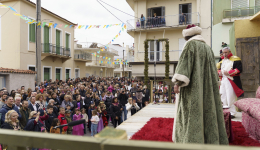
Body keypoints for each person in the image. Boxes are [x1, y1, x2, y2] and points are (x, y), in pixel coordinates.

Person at [171, 24, 228, 144]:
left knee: (192, 115)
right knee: (208, 114)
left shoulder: (190, 45)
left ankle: (192, 142)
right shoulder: (207, 48)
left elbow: (183, 69)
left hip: (193, 90)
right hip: (208, 89)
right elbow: (214, 71)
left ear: (187, 36)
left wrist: (177, 83)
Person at [217, 47, 244, 118]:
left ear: (229, 52)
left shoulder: (236, 59)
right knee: (222, 95)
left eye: (226, 52)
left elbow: (239, 69)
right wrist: (219, 73)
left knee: (230, 96)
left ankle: (232, 113)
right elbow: (218, 69)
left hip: (231, 80)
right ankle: (224, 112)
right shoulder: (222, 60)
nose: (225, 54)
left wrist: (229, 73)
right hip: (223, 80)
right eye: (223, 53)